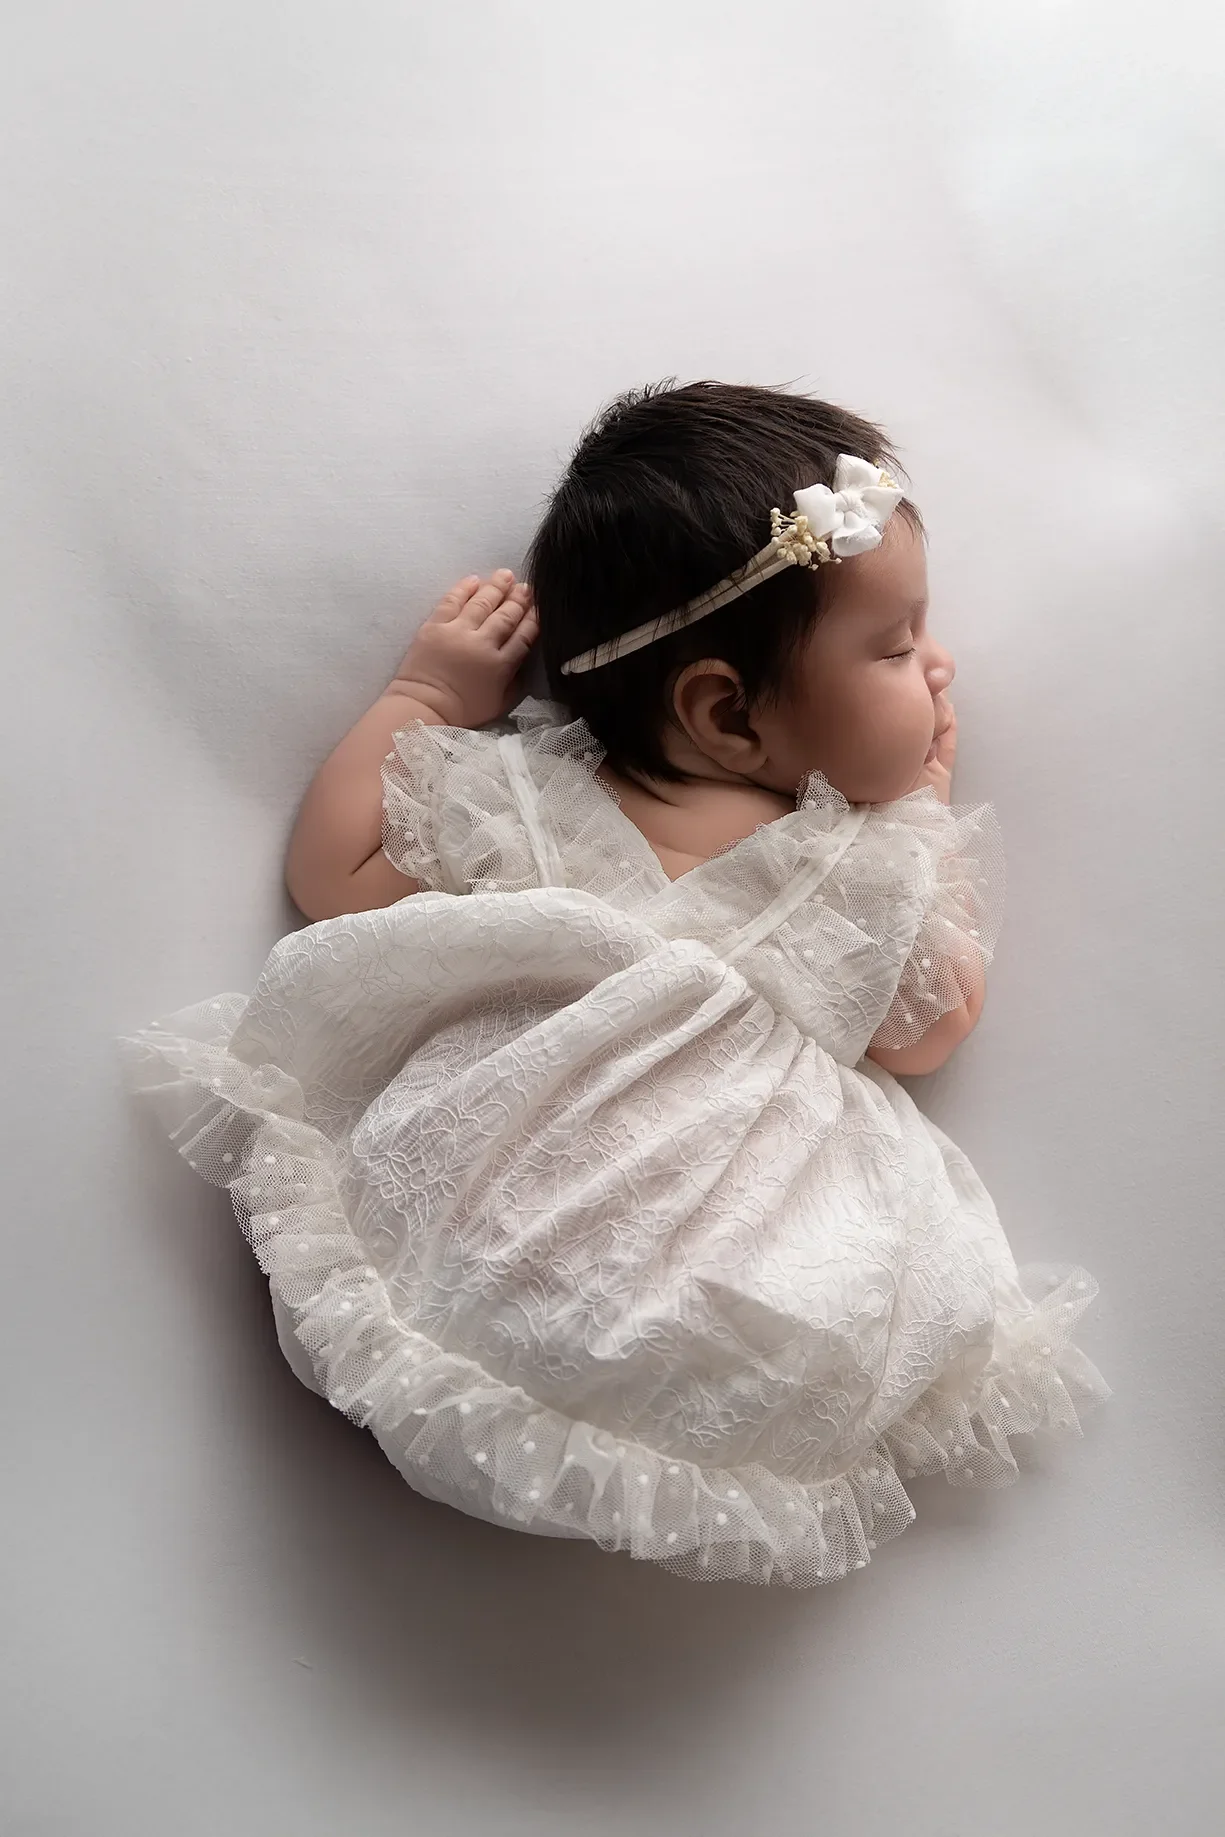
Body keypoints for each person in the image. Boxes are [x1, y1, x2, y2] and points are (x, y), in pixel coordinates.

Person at [123, 381, 1107, 1585]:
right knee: (804, 1288)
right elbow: (924, 1031)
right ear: (726, 715)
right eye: (895, 647)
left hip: (483, 1215)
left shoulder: (539, 804)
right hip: (702, 1274)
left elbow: (337, 871)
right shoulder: (843, 866)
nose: (937, 664)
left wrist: (423, 698)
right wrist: (917, 814)